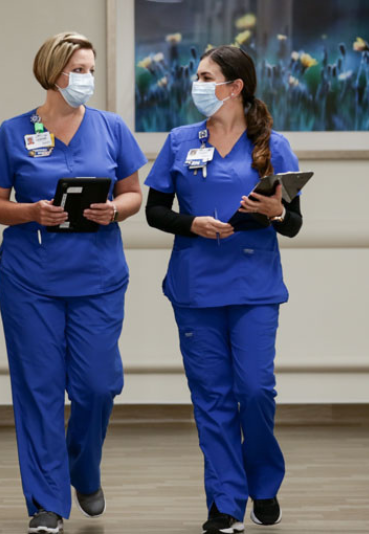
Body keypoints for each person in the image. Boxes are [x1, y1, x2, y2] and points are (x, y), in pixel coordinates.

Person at [0, 32, 147, 534]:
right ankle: (47, 504)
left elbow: (134, 193)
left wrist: (114, 209)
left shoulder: (112, 128)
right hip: (30, 281)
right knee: (39, 390)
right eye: (79, 69)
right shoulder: (13, 132)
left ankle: (83, 468)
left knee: (98, 386)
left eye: (91, 70)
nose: (87, 79)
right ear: (53, 72)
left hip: (98, 278)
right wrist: (30, 211)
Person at [144, 45, 303, 534]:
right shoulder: (179, 141)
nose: (197, 84)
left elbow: (292, 223)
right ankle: (225, 504)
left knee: (255, 390)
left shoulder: (273, 147)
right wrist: (193, 225)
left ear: (234, 87)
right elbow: (155, 210)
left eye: (206, 76)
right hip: (195, 287)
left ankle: (264, 481)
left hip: (254, 286)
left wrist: (275, 212)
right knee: (211, 397)